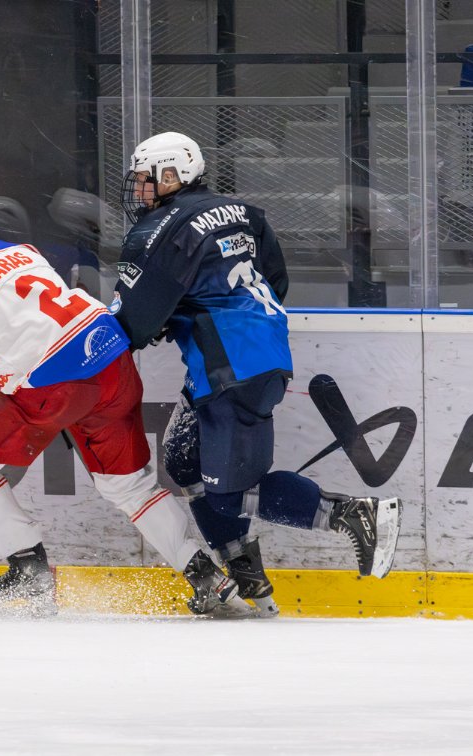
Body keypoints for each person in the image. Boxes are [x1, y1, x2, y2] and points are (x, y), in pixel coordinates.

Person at [0, 191, 238, 616]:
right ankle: (207, 577)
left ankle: (28, 572)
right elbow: (23, 317)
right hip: (110, 357)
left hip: (56, 384)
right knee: (128, 485)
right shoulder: (14, 250)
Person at [113, 132, 403, 617]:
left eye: (147, 179)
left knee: (228, 497)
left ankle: (354, 514)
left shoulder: (160, 228)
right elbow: (276, 279)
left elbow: (132, 321)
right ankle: (247, 577)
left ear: (174, 175)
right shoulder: (244, 212)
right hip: (252, 355)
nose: (140, 189)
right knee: (184, 460)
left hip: (229, 370)